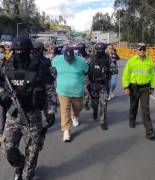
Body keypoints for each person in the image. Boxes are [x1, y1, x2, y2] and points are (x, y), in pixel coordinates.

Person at [0, 36, 57, 180]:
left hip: (32, 116)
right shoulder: (7, 65)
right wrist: (4, 96)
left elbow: (50, 90)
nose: (19, 53)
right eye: (16, 50)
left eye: (22, 50)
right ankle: (20, 165)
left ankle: (26, 174)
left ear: (29, 51)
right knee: (9, 150)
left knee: (32, 151)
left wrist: (50, 111)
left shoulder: (40, 66)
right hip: (13, 115)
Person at [52, 47, 89, 142]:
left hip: (77, 91)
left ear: (74, 55)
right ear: (63, 55)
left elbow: (86, 71)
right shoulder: (57, 60)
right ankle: (66, 131)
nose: (69, 60)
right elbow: (51, 66)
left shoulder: (81, 61)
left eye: (71, 58)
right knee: (64, 110)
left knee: (79, 107)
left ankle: (75, 116)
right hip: (63, 91)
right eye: (67, 58)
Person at [122, 43, 155, 140]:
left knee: (145, 108)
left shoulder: (149, 61)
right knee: (134, 105)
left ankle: (149, 130)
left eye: (144, 49)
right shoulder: (131, 61)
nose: (142, 51)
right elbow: (126, 75)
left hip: (145, 87)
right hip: (134, 87)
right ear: (136, 51)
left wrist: (152, 87)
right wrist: (126, 87)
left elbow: (152, 75)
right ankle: (132, 119)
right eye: (140, 49)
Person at [88, 42, 111, 130]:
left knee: (104, 104)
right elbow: (87, 71)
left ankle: (102, 121)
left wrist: (108, 70)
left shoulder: (108, 58)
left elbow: (113, 69)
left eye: (102, 50)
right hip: (93, 84)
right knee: (95, 103)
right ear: (96, 50)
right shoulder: (91, 58)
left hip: (104, 84)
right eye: (98, 50)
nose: (100, 51)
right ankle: (94, 111)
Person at [0, 45, 10, 144]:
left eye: (2, 52)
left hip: (6, 92)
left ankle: (3, 132)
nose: (1, 54)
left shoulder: (8, 64)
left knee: (5, 112)